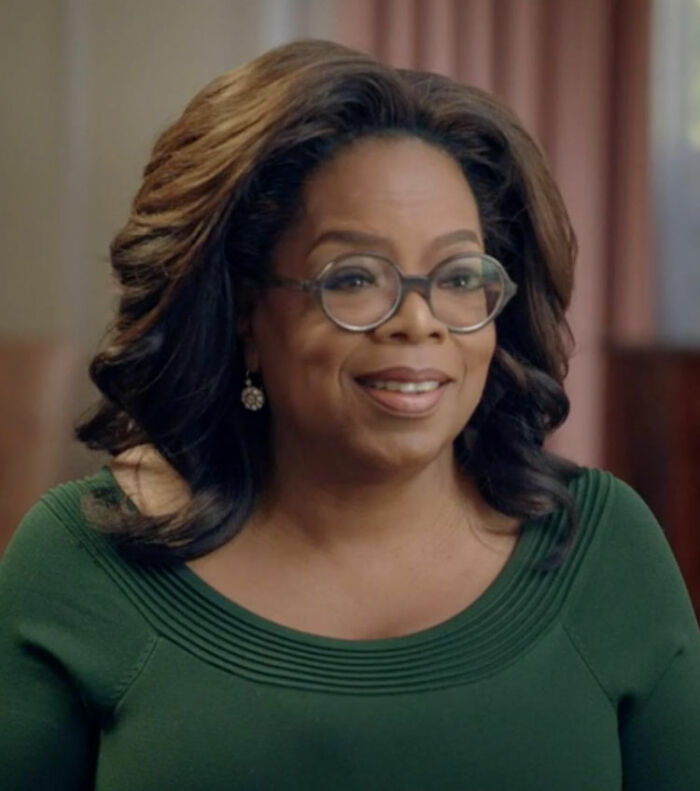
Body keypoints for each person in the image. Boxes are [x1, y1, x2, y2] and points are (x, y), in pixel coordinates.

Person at [0, 38, 698, 791]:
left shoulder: (603, 550)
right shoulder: (82, 561)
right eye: (355, 275)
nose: (420, 321)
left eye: (460, 274)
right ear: (244, 311)